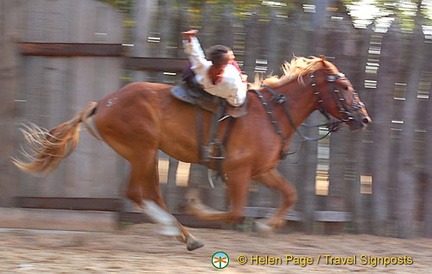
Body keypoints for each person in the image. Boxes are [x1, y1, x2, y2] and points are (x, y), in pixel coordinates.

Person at [182, 29, 247, 107]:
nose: (233, 59)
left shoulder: (202, 67)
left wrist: (190, 39)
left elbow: (196, 55)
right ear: (225, 64)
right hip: (225, 93)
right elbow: (237, 101)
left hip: (204, 87)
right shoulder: (232, 77)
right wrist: (243, 82)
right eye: (231, 59)